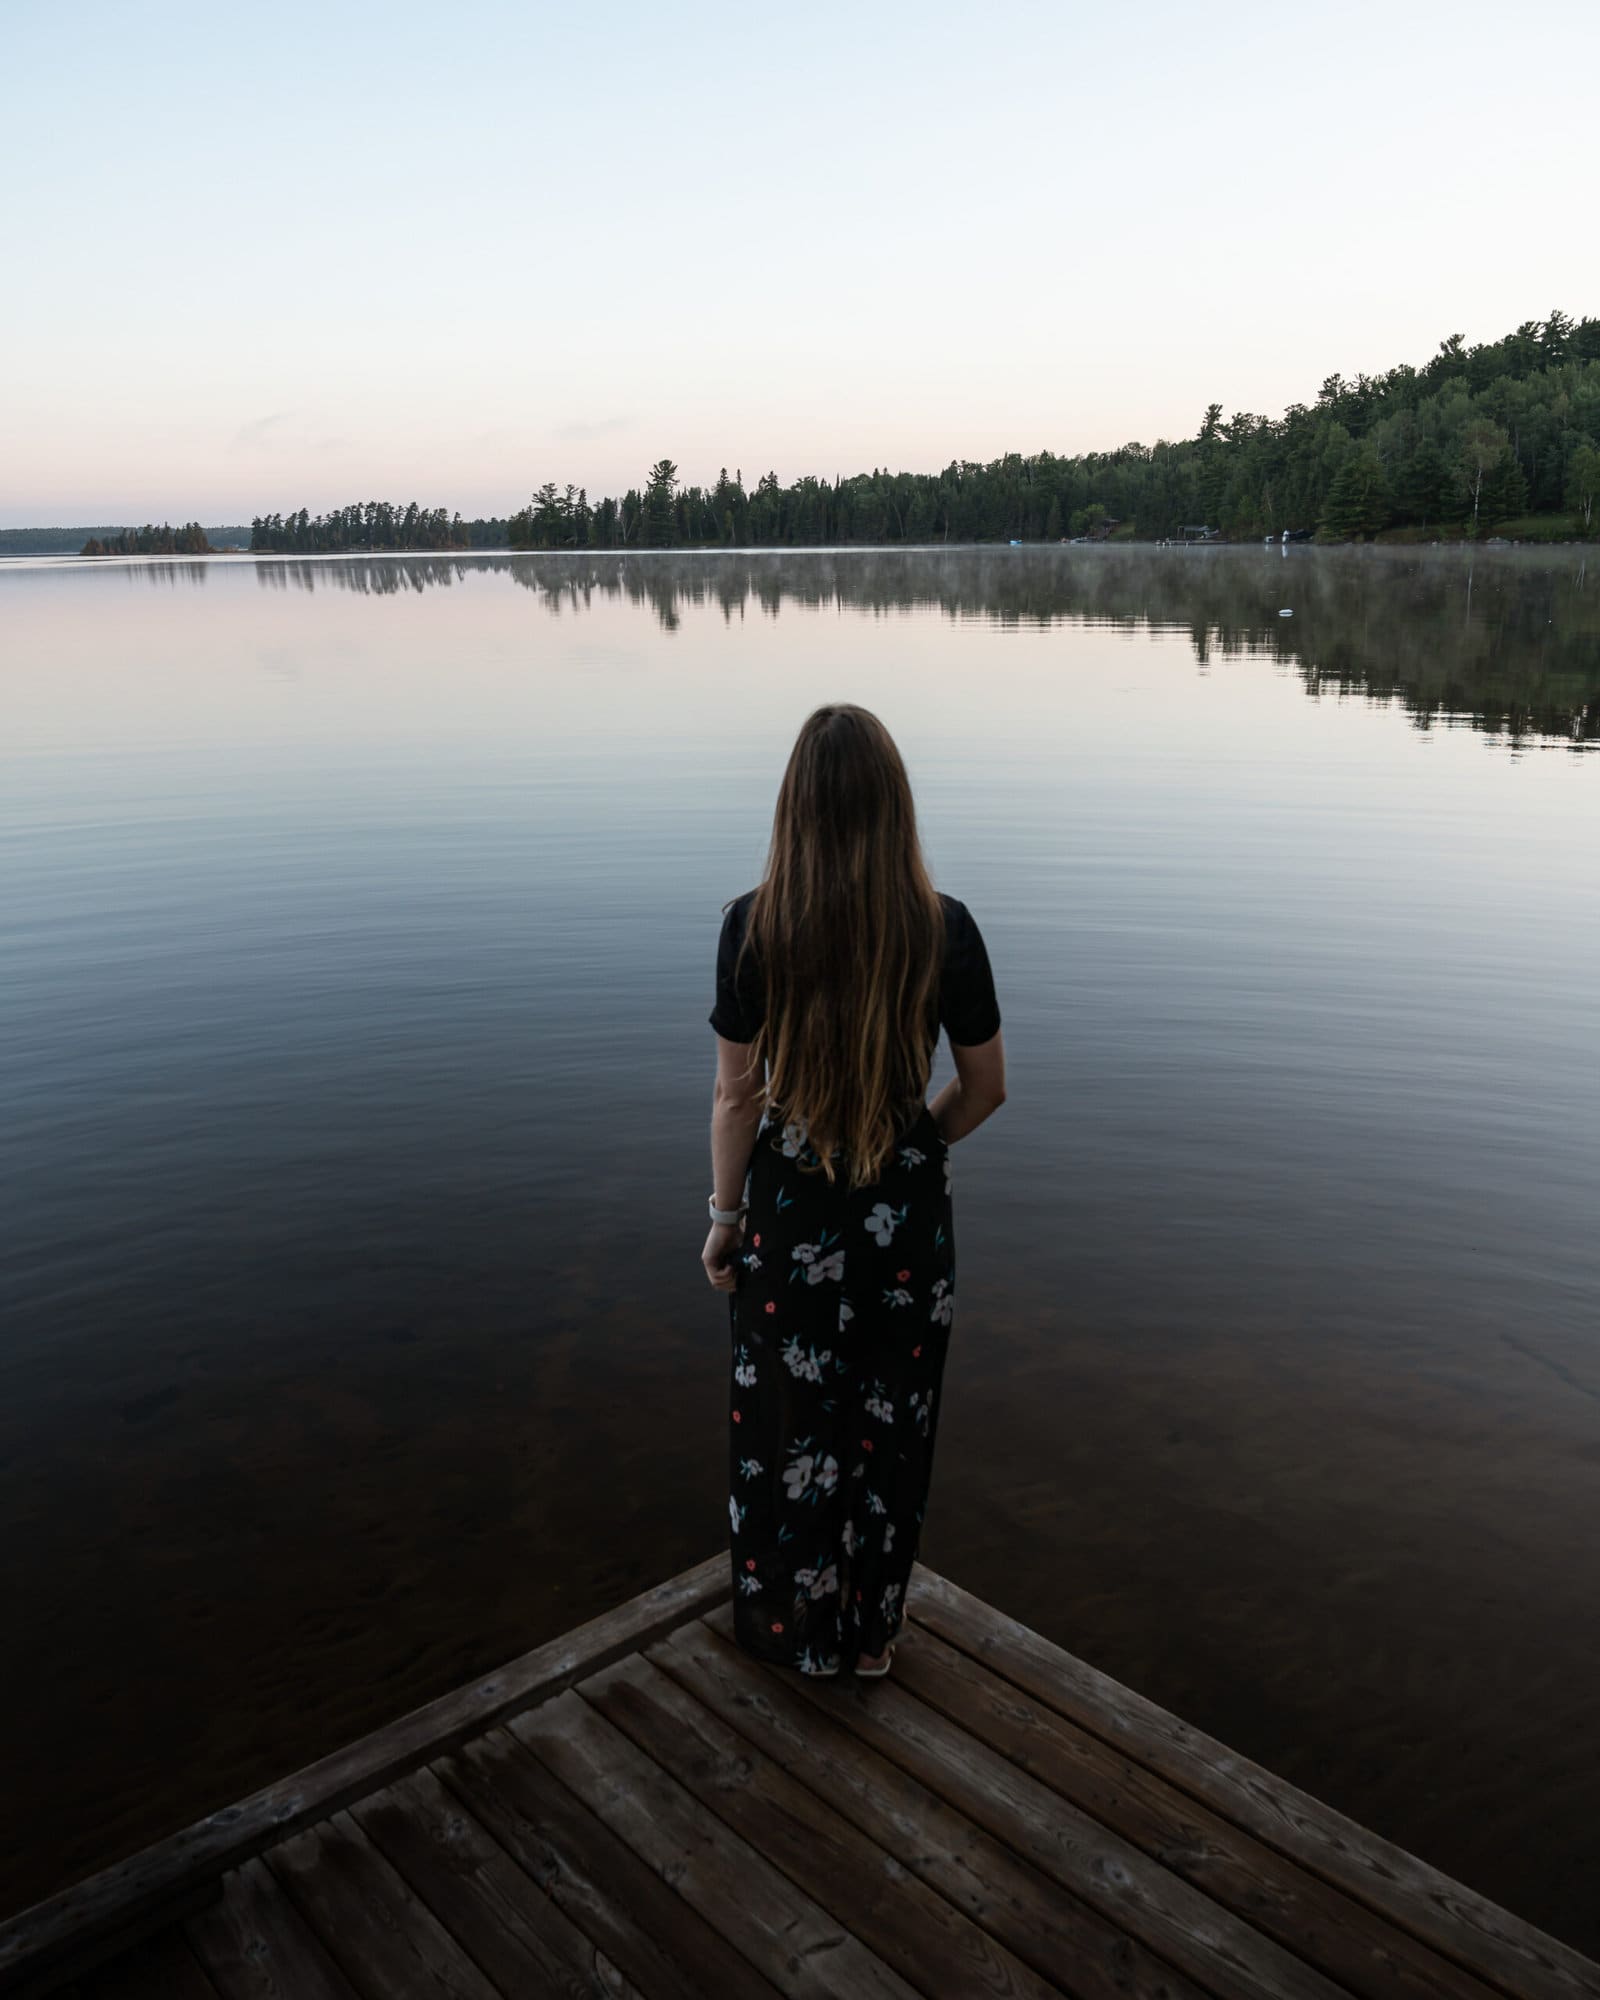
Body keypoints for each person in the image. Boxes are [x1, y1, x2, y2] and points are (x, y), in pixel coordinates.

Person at [702, 704, 1007, 1679]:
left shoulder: (753, 925)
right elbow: (988, 1085)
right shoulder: (943, 928)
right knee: (890, 1424)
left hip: (789, 1214)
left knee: (789, 1423)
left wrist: (724, 1220)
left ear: (794, 808)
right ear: (895, 808)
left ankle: (791, 1629)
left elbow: (735, 1095)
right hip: (904, 1223)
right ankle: (871, 1637)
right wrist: (916, 1144)